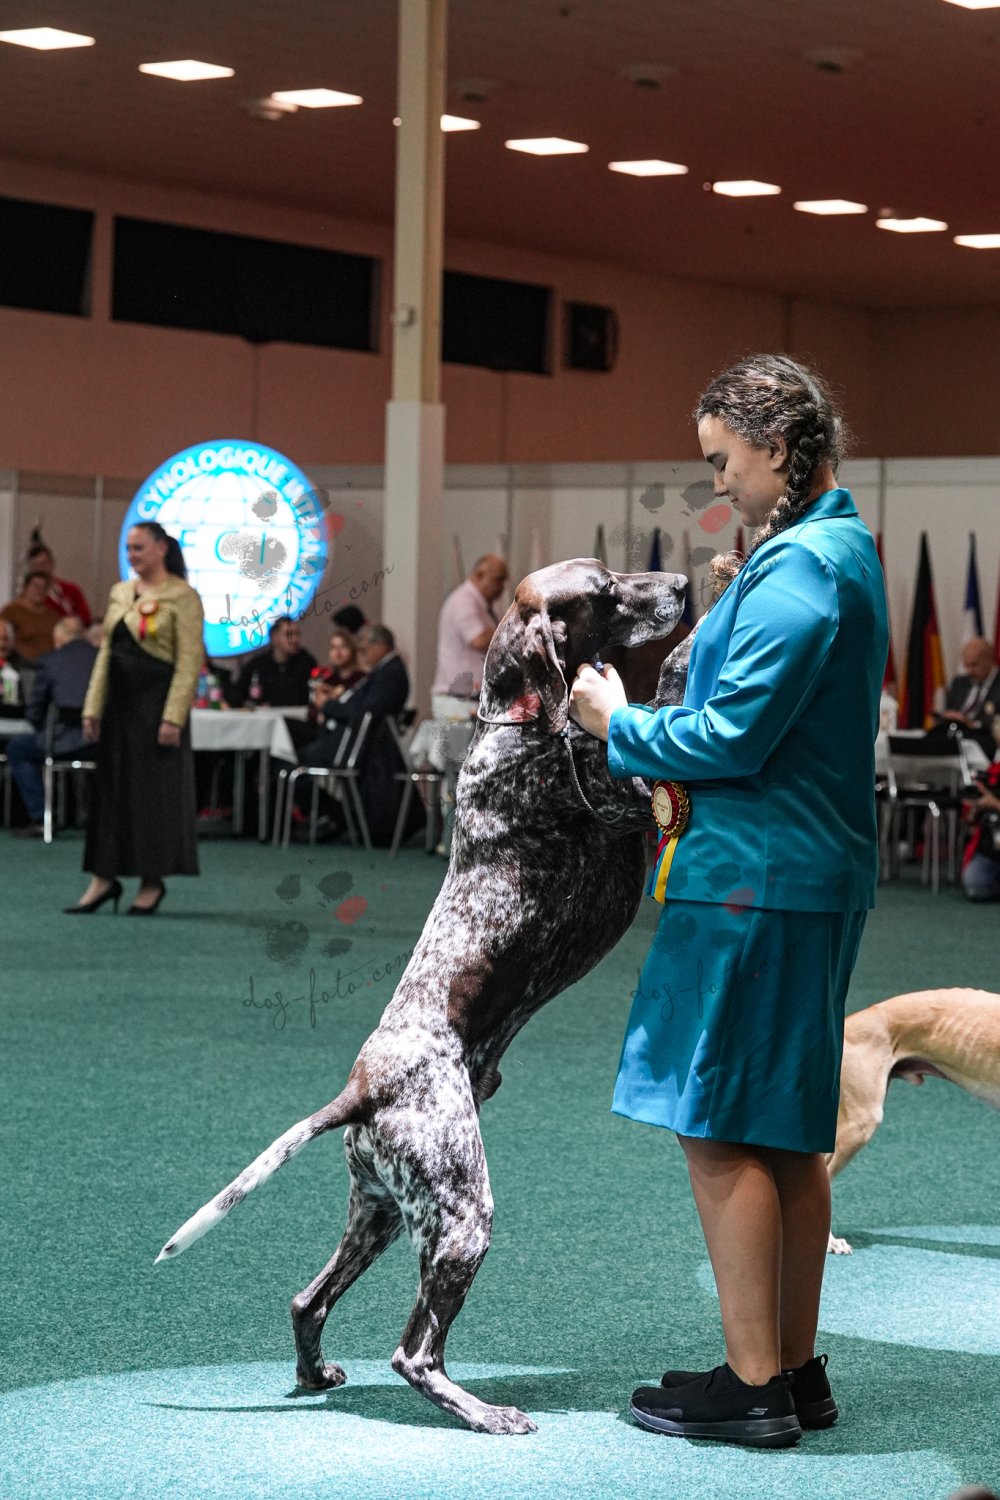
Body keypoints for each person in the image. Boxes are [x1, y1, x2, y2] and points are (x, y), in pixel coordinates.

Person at [569, 355, 889, 1448]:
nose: (718, 483)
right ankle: (791, 1373)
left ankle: (751, 1387)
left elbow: (730, 737)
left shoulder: (801, 565)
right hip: (802, 874)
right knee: (787, 1131)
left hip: (755, 877)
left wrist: (614, 722)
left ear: (779, 447)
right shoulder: (837, 550)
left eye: (724, 461)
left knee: (717, 1126)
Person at [65, 523, 204, 915]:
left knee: (152, 796)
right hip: (119, 707)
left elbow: (189, 661)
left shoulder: (183, 596)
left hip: (156, 707)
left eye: (139, 547)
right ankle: (103, 878)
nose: (132, 555)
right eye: (128, 548)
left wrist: (173, 717)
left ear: (161, 548)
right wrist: (93, 707)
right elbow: (106, 653)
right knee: (110, 794)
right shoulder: (120, 592)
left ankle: (151, 880)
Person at [298, 623, 410, 845]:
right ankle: (342, 818)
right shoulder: (386, 671)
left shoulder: (390, 673)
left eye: (365, 648)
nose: (363, 654)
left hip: (360, 747)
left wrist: (328, 706)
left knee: (295, 760)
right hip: (361, 746)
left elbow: (366, 710)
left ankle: (341, 817)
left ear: (380, 646)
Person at [6, 616, 97, 837]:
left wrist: (43, 730)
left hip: (58, 742)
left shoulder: (50, 660)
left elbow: (35, 709)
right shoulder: (102, 658)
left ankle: (42, 817)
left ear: (59, 639)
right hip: (99, 742)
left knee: (17, 749)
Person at [431, 554, 508, 715]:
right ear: (479, 575)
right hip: (459, 701)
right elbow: (479, 639)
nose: (502, 587)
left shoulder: (485, 608)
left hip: (472, 698)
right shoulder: (464, 601)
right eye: (498, 579)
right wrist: (511, 631)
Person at [228, 617, 316, 708]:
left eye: (297, 634)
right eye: (288, 635)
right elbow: (238, 694)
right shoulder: (258, 665)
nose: (294, 639)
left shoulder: (306, 662)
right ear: (274, 637)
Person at [943, 637, 999, 749]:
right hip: (954, 738)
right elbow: (949, 709)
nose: (969, 671)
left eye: (974, 665)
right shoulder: (959, 683)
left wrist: (973, 724)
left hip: (985, 742)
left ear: (989, 659)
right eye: (966, 665)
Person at [25, 541, 92, 626]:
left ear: (52, 564)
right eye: (35, 566)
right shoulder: (28, 597)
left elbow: (86, 618)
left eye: (43, 564)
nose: (40, 569)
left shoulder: (71, 589)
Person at [1, 571, 60, 662]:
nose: (40, 591)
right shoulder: (12, 611)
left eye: (44, 587)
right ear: (25, 587)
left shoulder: (52, 615)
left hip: (50, 664)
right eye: (36, 586)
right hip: (22, 664)